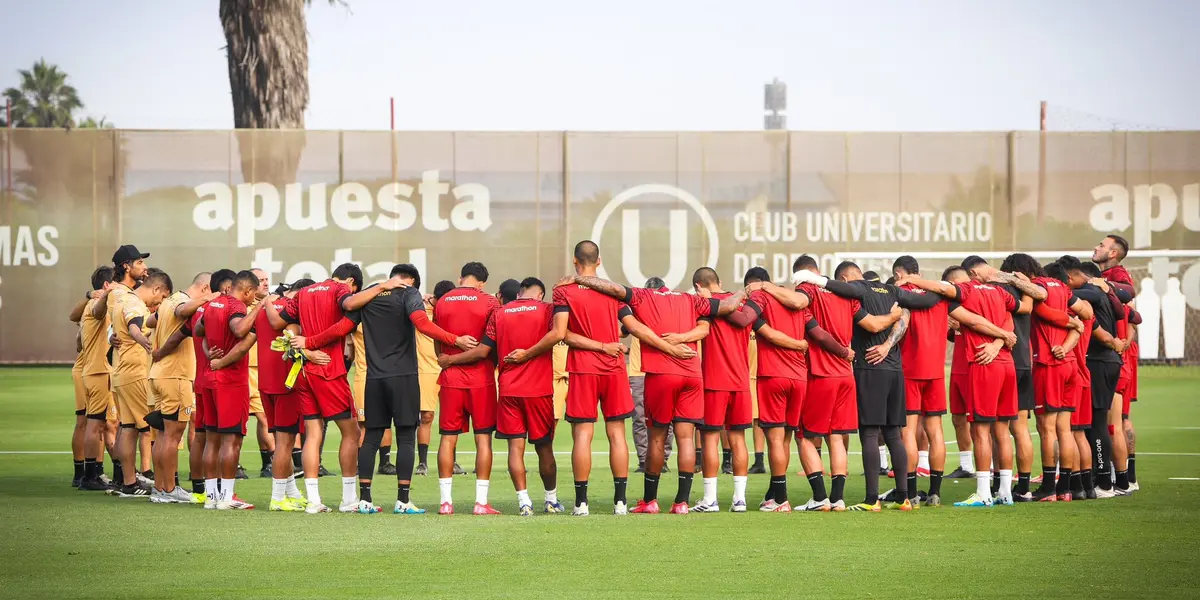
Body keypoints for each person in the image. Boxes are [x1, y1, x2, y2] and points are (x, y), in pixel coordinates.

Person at [567, 271, 750, 515]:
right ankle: (682, 503)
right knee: (686, 438)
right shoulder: (690, 299)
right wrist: (745, 291)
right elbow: (726, 307)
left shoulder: (644, 297)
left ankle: (650, 501)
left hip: (661, 374)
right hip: (692, 374)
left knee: (656, 437)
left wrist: (580, 279)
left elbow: (614, 289)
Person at [551, 240, 697, 516]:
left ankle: (581, 503)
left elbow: (562, 334)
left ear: (574, 261)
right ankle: (620, 503)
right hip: (615, 368)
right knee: (617, 434)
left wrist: (598, 345)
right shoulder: (612, 291)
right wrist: (670, 348)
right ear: (599, 261)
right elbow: (634, 328)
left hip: (583, 368)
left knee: (583, 434)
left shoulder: (563, 291)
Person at [797, 261, 939, 511]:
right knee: (894, 433)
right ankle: (903, 497)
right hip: (896, 370)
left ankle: (872, 500)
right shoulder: (892, 290)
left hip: (869, 368)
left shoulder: (858, 290)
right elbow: (928, 301)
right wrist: (915, 284)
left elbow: (871, 324)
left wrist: (814, 279)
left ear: (845, 279)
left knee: (870, 433)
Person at [267, 262, 402, 513]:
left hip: (305, 371)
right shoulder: (340, 290)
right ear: (351, 282)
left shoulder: (305, 292)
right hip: (329, 370)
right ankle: (348, 499)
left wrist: (305, 348)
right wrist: (383, 285)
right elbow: (350, 306)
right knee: (351, 433)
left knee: (312, 433)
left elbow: (281, 323)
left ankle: (314, 501)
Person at [352, 264, 470, 515]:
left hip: (374, 378)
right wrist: (454, 339)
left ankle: (364, 500)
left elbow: (344, 320)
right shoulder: (409, 293)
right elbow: (421, 323)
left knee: (371, 438)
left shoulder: (370, 294)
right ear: (413, 281)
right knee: (406, 437)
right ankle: (403, 501)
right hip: (403, 377)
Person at [442, 276, 566, 515]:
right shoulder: (548, 310)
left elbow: (484, 350)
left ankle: (524, 502)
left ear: (520, 294)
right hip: (538, 390)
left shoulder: (500, 313)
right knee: (544, 448)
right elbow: (561, 333)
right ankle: (551, 499)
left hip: (508, 390)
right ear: (540, 295)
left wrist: (450, 360)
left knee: (515, 449)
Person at [744, 267, 841, 513]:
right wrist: (843, 352)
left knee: (775, 440)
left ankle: (780, 500)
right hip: (799, 378)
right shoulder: (797, 301)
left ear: (753, 284)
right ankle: (775, 495)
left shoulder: (760, 297)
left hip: (774, 375)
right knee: (785, 438)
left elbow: (757, 327)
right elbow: (818, 333)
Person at [428, 262, 500, 514]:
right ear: (482, 282)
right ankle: (481, 503)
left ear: (461, 278)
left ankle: (446, 502)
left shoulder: (443, 301)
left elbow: (437, 339)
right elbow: (493, 343)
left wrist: (445, 359)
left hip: (450, 379)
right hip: (481, 379)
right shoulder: (490, 302)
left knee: (447, 439)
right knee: (483, 440)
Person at [790, 255, 859, 511]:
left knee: (805, 437)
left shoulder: (806, 290)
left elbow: (817, 332)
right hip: (846, 375)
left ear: (798, 274)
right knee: (837, 438)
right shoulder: (842, 293)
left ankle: (819, 498)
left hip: (822, 374)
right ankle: (838, 498)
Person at [253, 278, 327, 511]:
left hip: (266, 382)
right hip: (287, 384)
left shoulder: (268, 308)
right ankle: (277, 498)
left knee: (281, 439)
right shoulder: (293, 312)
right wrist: (312, 355)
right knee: (285, 443)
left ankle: (290, 491)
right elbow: (292, 341)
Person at [1057, 256, 1129, 497]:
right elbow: (1123, 314)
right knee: (1097, 424)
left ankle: (1105, 485)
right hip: (1108, 361)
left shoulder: (1091, 292)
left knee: (1097, 424)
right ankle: (1114, 481)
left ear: (1072, 276)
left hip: (1099, 362)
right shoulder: (1102, 292)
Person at [97, 245, 163, 498]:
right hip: (135, 369)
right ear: (126, 266)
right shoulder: (127, 296)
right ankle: (135, 480)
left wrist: (113, 336)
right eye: (139, 262)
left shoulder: (116, 293)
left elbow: (111, 323)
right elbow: (133, 325)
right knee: (143, 427)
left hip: (123, 368)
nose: (144, 267)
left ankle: (128, 480)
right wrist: (141, 339)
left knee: (128, 427)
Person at [691, 267, 756, 512]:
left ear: (699, 286)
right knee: (738, 439)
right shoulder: (741, 302)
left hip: (714, 381)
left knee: (709, 438)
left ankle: (710, 499)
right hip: (741, 381)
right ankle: (740, 499)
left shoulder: (705, 305)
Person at [203, 270, 265, 509]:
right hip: (230, 381)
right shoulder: (237, 306)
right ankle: (227, 497)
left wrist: (209, 353)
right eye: (254, 296)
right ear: (248, 291)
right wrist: (259, 308)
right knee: (231, 441)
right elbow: (239, 331)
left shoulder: (213, 304)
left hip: (210, 379)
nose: (253, 300)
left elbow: (199, 331)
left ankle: (211, 497)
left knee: (212, 440)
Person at [1029, 262, 1090, 501]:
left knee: (1046, 429)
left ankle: (1048, 488)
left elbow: (1042, 312)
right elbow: (1083, 319)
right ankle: (1065, 488)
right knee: (1065, 430)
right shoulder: (1065, 292)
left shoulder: (1038, 286)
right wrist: (1065, 347)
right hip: (1069, 365)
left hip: (1048, 364)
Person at [145, 271, 207, 503]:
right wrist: (206, 301)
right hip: (175, 377)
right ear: (204, 288)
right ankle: (169, 489)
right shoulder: (181, 302)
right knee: (172, 436)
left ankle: (161, 488)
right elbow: (182, 311)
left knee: (163, 435)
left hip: (159, 375)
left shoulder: (166, 302)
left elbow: (150, 321)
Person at [996, 253, 1049, 501]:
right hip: (1025, 364)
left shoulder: (997, 290)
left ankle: (1000, 485)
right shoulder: (1029, 291)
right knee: (1021, 429)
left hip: (1004, 362)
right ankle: (1024, 487)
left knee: (997, 429)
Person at [1092, 235, 1139, 491]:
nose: (1096, 247)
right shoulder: (1111, 278)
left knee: (1111, 424)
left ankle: (1118, 480)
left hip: (1115, 357)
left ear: (1112, 253)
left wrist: (1122, 343)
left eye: (1101, 244)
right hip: (1119, 355)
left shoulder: (1117, 277)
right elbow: (1135, 316)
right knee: (1119, 420)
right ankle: (1127, 478)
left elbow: (1131, 314)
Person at [76, 266, 116, 492]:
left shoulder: (88, 308)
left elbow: (79, 343)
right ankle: (89, 476)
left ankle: (94, 473)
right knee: (95, 424)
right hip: (99, 370)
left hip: (94, 369)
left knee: (102, 424)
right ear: (106, 286)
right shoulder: (95, 305)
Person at [246, 268, 275, 479]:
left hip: (262, 367)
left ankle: (267, 463)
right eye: (261, 280)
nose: (265, 283)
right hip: (246, 367)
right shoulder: (244, 306)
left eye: (267, 279)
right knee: (262, 417)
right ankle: (274, 461)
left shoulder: (270, 304)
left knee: (262, 417)